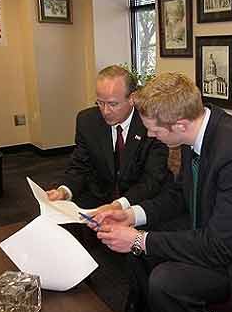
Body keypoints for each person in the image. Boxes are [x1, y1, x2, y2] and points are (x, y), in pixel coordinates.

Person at [91, 72, 232, 312]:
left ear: (180, 124)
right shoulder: (194, 133)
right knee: (140, 251)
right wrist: (131, 216)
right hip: (217, 230)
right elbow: (179, 194)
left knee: (166, 282)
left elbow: (219, 247)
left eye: (153, 130)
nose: (151, 136)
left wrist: (140, 239)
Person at [47, 64, 170, 215]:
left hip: (137, 203)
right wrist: (64, 191)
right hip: (97, 199)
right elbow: (80, 166)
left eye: (113, 104)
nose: (105, 111)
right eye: (100, 102)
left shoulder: (151, 124)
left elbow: (152, 179)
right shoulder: (87, 121)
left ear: (132, 98)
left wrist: (119, 205)